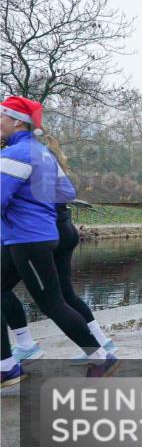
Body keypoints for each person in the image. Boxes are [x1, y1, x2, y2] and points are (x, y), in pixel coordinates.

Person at [1, 96, 117, 385]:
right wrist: (35, 203)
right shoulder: (40, 152)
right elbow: (65, 192)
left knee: (52, 303)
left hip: (28, 238)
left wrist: (28, 208)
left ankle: (100, 357)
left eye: (1, 115)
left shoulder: (14, 155)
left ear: (17, 121)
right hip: (35, 234)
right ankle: (8, 364)